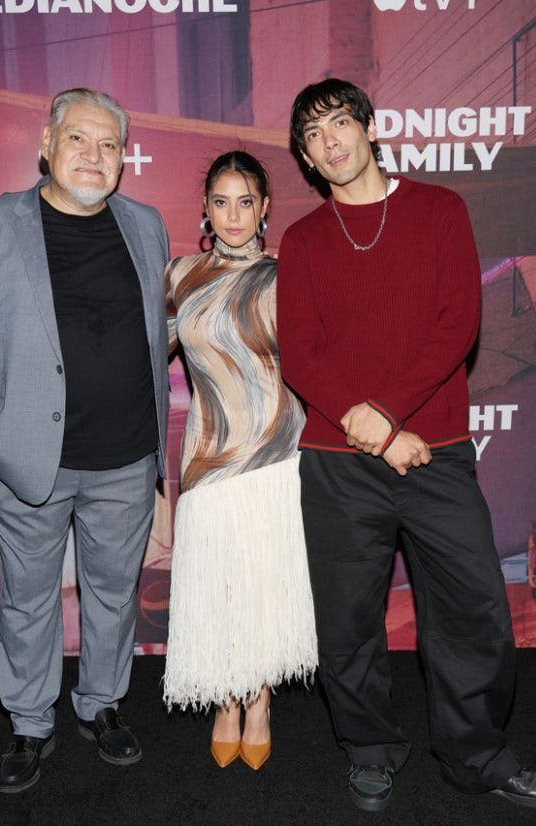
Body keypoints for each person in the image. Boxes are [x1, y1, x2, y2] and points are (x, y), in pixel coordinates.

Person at [276, 78, 536, 812]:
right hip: (337, 463)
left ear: (368, 127)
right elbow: (302, 356)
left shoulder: (439, 208)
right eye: (313, 135)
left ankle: (478, 757)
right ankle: (369, 747)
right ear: (305, 158)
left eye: (340, 122)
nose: (330, 141)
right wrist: (366, 429)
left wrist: (387, 421)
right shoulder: (303, 240)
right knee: (347, 619)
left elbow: (457, 324)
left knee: (472, 609)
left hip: (434, 452)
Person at [0, 88, 170, 793]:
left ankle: (101, 705)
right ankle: (30, 723)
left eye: (108, 145)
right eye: (79, 140)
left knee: (112, 595)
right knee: (28, 599)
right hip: (24, 465)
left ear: (124, 158)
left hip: (128, 460)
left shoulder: (146, 225)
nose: (93, 157)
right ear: (47, 143)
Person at [162, 150, 317, 770]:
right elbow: (141, 358)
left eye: (245, 202)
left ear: (264, 209)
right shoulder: (180, 276)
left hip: (277, 453)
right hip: (206, 456)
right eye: (220, 202)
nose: (232, 215)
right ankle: (225, 698)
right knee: (219, 584)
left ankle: (258, 701)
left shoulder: (288, 276)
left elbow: (317, 362)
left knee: (259, 583)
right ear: (205, 208)